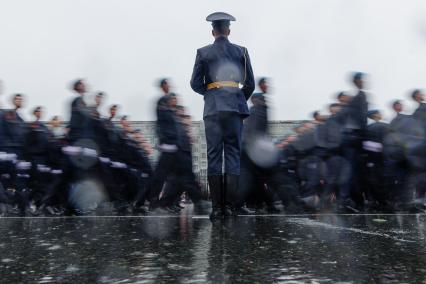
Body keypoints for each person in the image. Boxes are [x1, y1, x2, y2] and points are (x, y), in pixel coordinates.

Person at [190, 12, 255, 220]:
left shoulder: (202, 52)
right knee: (234, 155)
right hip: (234, 108)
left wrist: (211, 94)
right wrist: (236, 97)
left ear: (213, 32)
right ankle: (234, 207)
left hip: (213, 109)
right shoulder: (241, 51)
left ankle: (217, 209)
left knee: (214, 156)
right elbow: (250, 84)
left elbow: (195, 83)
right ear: (228, 30)